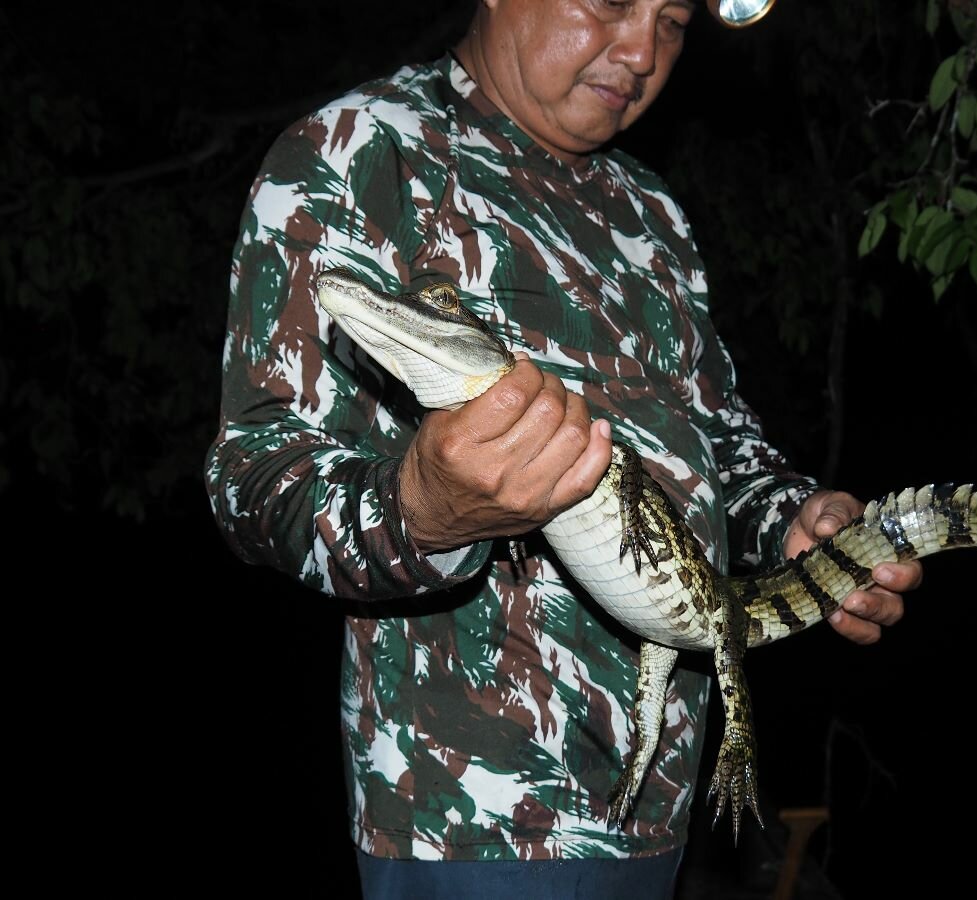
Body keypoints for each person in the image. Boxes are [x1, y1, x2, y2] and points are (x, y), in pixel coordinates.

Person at [203, 1, 921, 895]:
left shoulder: (649, 210)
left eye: (673, 20)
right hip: (472, 813)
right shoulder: (359, 148)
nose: (643, 51)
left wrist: (791, 520)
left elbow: (721, 446)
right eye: (615, 2)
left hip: (658, 798)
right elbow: (254, 480)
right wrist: (420, 512)